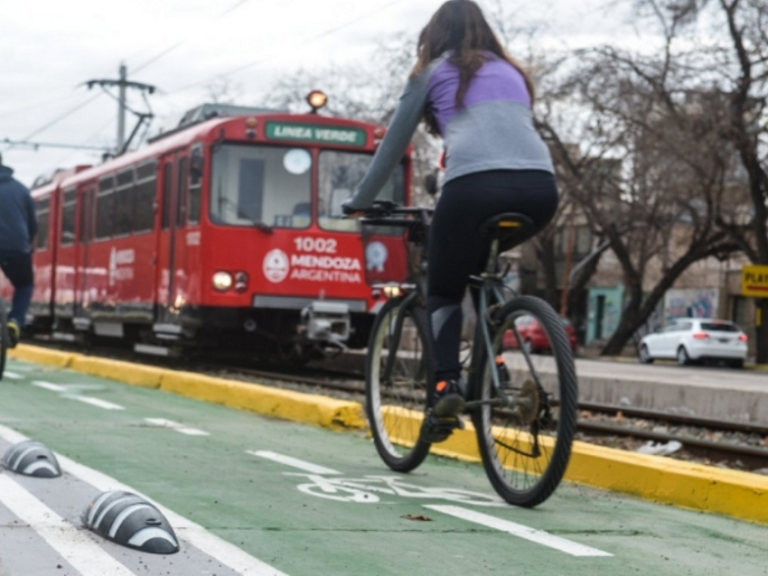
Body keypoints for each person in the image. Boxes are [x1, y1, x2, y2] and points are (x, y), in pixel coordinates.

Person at [343, 0, 558, 440]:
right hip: (540, 189)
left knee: (443, 288)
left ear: (433, 36)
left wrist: (360, 201)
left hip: (471, 189)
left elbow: (393, 146)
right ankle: (493, 346)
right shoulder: (514, 72)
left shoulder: (430, 72)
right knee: (478, 267)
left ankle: (446, 387)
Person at [0, 152, 37, 347]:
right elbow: (32, 225)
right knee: (24, 285)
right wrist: (26, 245)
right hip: (16, 247)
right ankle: (15, 321)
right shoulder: (21, 190)